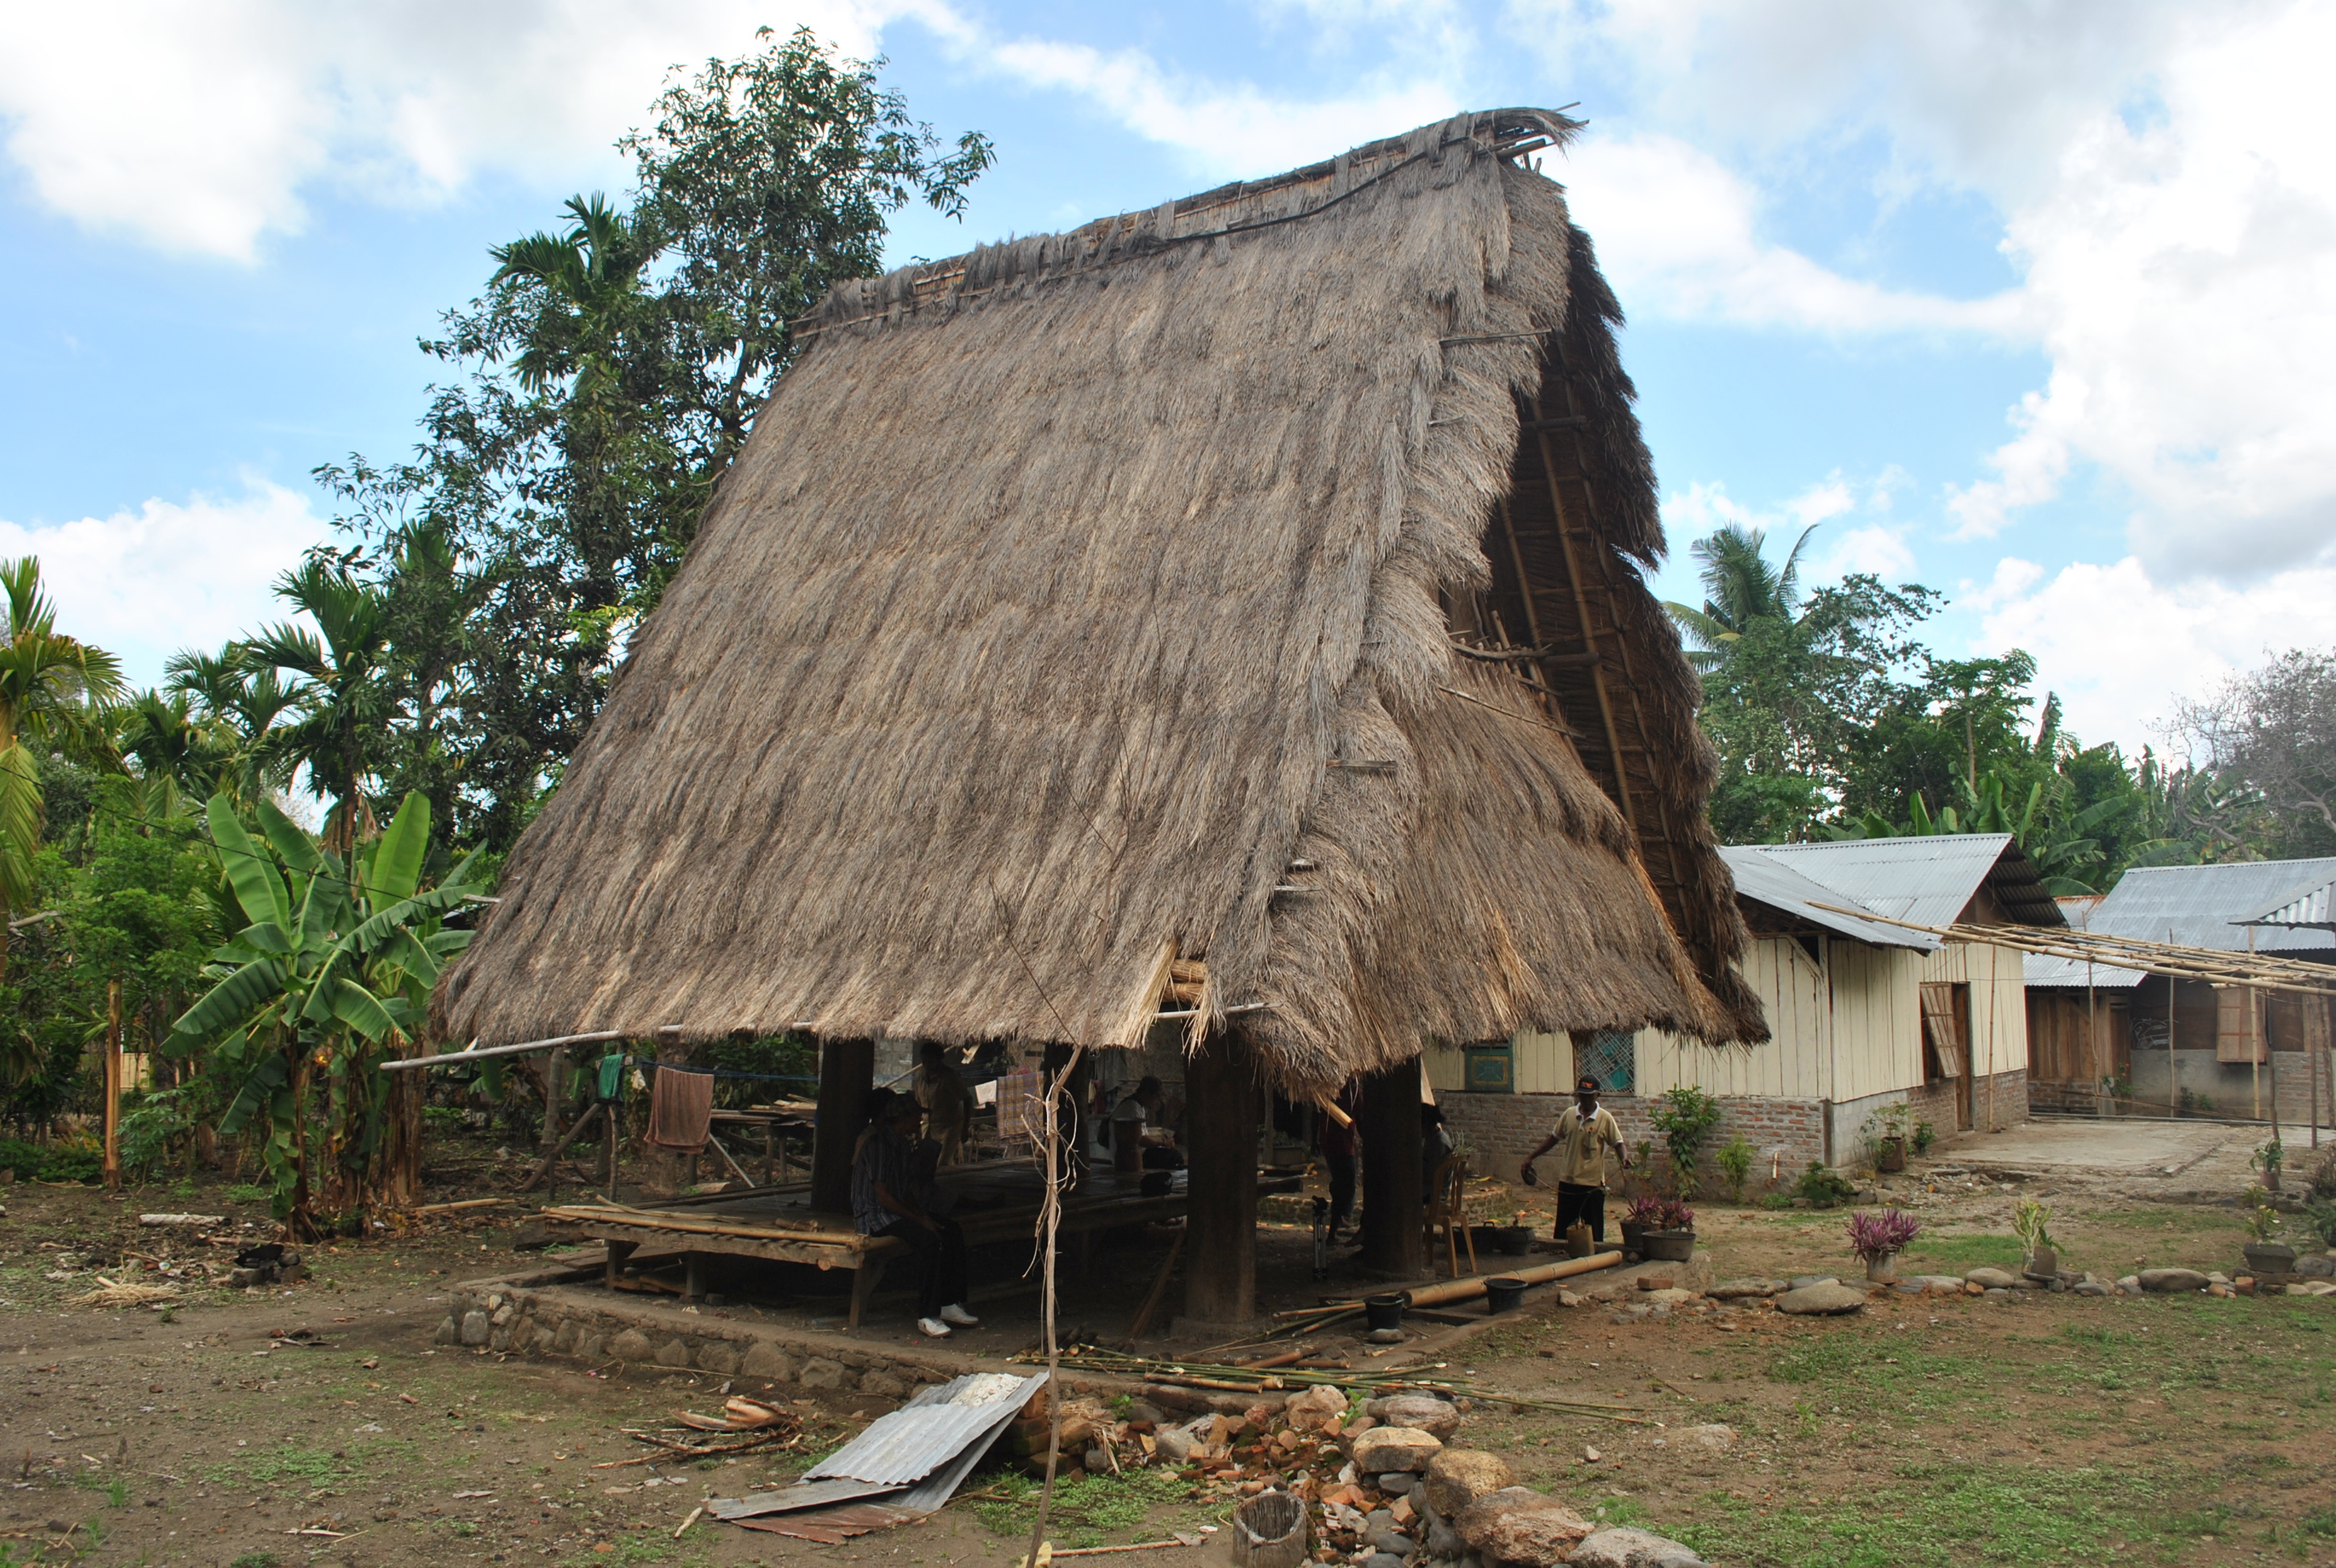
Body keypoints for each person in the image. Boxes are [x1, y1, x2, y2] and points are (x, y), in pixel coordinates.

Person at [851, 1093, 978, 1338]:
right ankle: (927, 1315)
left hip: (895, 1209)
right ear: (903, 1119)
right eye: (916, 1115)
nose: (920, 1119)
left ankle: (949, 1303)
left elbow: (906, 1189)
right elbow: (883, 1197)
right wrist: (918, 1220)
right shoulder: (878, 1145)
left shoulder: (902, 1145)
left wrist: (922, 1214)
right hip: (876, 1216)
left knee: (950, 1230)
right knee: (927, 1241)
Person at [1520, 1076, 1629, 1245]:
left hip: (1592, 1186)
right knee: (1562, 1231)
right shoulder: (1569, 1115)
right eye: (1582, 1095)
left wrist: (1624, 1159)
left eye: (1589, 1096)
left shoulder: (1605, 1119)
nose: (1585, 1099)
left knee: (1594, 1234)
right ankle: (1558, 1261)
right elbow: (1553, 1138)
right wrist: (1531, 1157)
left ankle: (1593, 1263)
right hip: (1568, 1182)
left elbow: (1619, 1144)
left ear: (1597, 1095)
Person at [914, 1042, 974, 1166]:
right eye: (924, 1062)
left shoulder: (949, 1077)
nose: (927, 1065)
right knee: (927, 1163)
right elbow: (918, 1103)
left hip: (948, 1127)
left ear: (939, 1060)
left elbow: (967, 1099)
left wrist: (965, 1128)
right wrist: (916, 1127)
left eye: (930, 1062)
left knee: (942, 1164)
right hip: (927, 1126)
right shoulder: (920, 1076)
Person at [1314, 1080, 1359, 1242]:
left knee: (1340, 1185)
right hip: (1342, 1146)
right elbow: (1361, 1116)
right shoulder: (1352, 1092)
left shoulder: (1326, 1088)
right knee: (1346, 1187)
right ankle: (1333, 1231)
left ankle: (1338, 1219)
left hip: (1329, 1144)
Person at [1420, 1102, 1457, 1201]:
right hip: (1434, 1189)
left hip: (1433, 1192)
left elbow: (1431, 1175)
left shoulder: (1437, 1144)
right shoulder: (1436, 1137)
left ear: (1426, 1125)